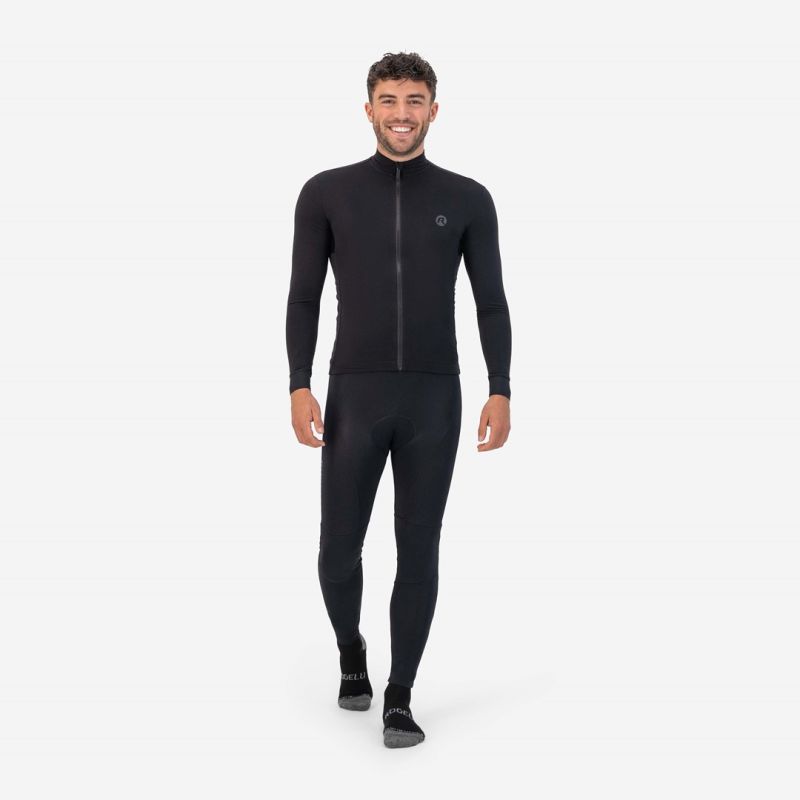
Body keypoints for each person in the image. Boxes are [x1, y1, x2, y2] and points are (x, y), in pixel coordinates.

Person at [285, 51, 512, 748]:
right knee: (337, 551)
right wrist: (299, 382)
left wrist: (500, 387)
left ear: (434, 110)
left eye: (415, 100)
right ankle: (351, 650)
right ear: (369, 109)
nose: (402, 113)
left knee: (418, 549)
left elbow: (491, 302)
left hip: (434, 399)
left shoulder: (468, 198)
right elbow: (303, 297)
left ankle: (400, 695)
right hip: (354, 393)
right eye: (389, 100)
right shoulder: (326, 193)